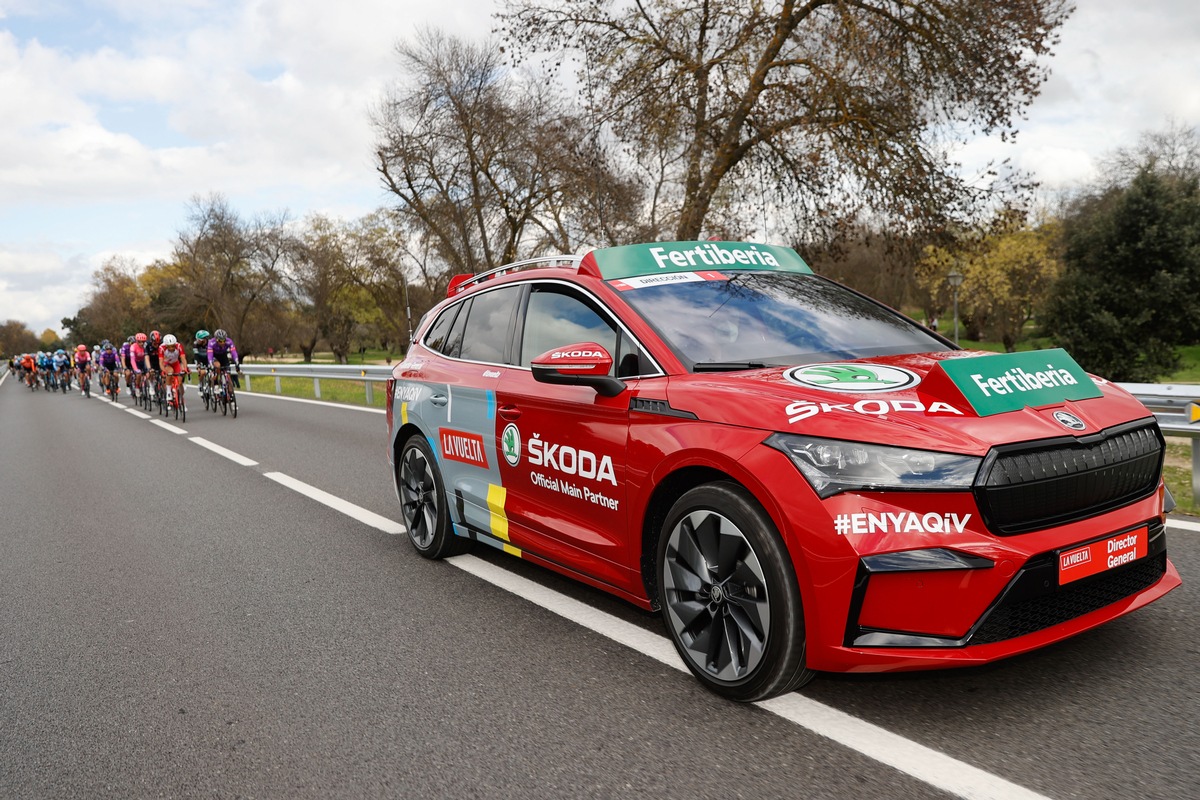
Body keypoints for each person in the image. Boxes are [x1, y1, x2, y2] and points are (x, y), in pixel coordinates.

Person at [158, 334, 190, 407]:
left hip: (176, 363)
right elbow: (161, 362)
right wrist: (163, 370)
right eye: (169, 346)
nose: (172, 348)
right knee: (169, 372)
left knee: (179, 380)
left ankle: (181, 397)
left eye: (173, 346)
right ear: (166, 345)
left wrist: (185, 368)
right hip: (166, 364)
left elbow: (183, 358)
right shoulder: (161, 348)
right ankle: (169, 392)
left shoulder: (179, 346)